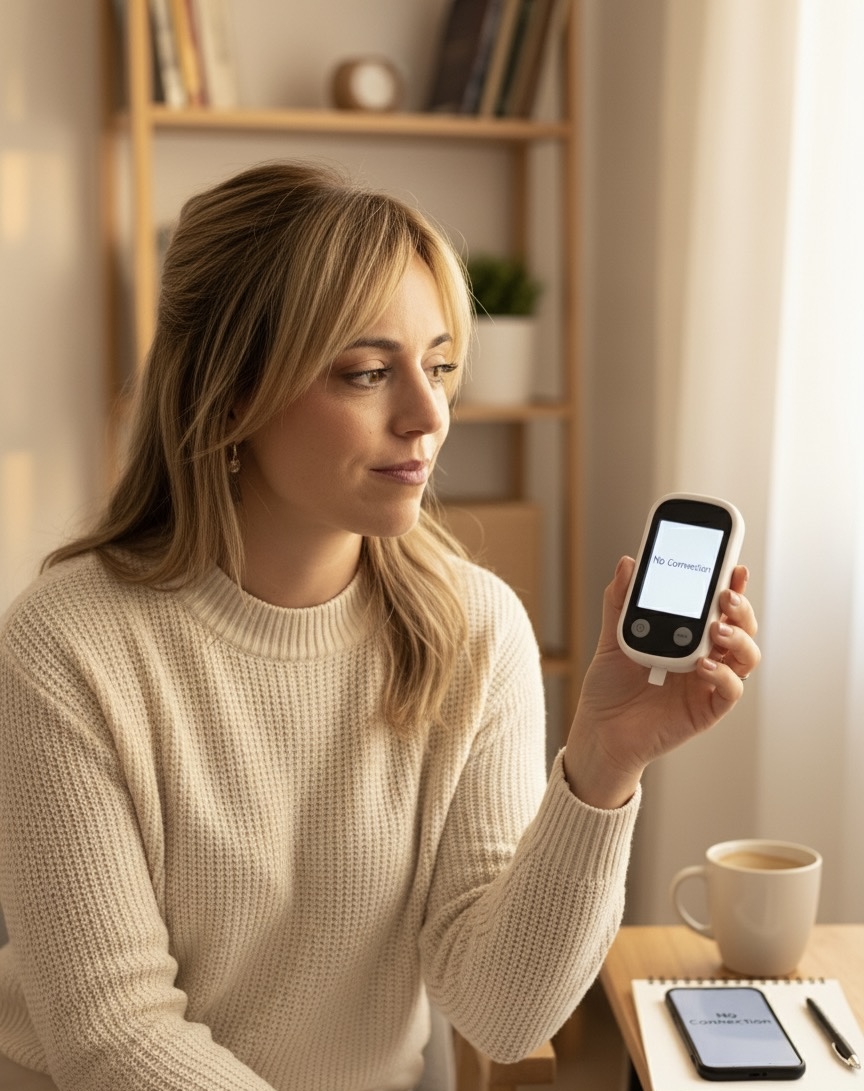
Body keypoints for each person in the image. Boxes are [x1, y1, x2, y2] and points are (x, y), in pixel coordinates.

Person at [0, 160, 760, 1091]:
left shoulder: (476, 630)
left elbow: (503, 1010)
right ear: (232, 394)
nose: (429, 415)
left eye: (439, 366)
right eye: (368, 373)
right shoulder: (66, 646)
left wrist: (603, 765)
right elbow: (113, 1034)